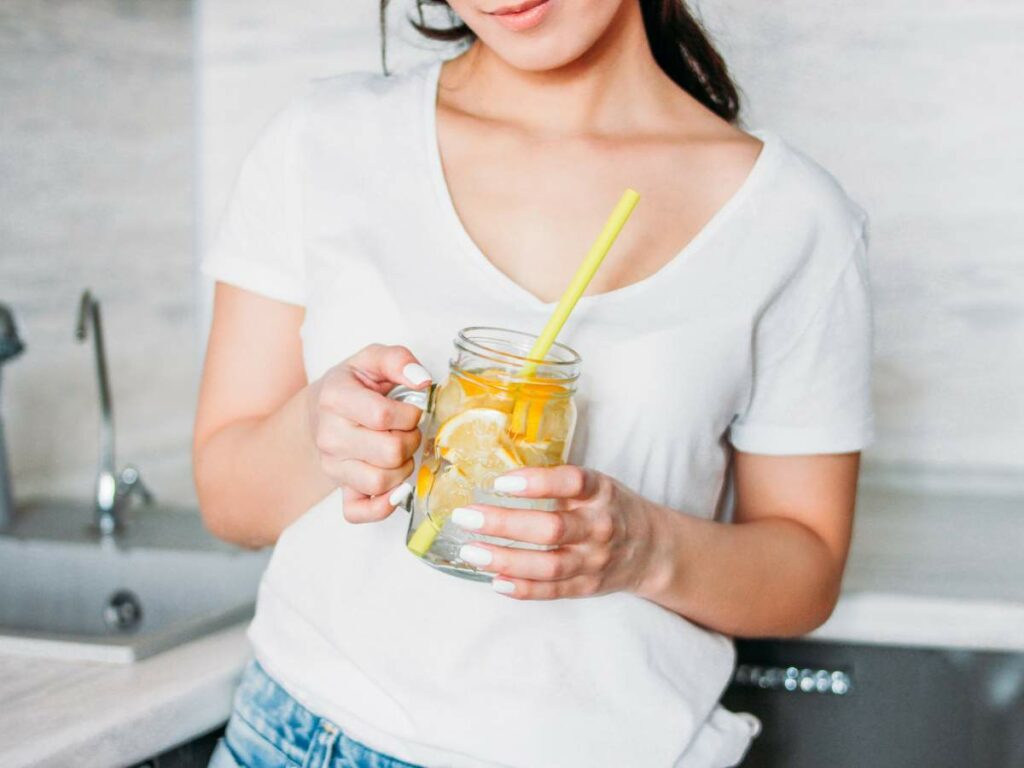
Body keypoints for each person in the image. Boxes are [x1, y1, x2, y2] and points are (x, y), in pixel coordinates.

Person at [195, 0, 873, 766]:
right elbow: (228, 499)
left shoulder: (794, 219)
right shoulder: (324, 139)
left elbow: (806, 573)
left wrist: (647, 549)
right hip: (299, 742)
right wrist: (316, 428)